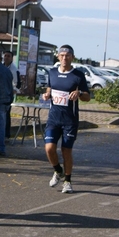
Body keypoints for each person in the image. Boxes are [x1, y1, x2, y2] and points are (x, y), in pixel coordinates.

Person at [42, 45, 90, 194]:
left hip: (70, 120)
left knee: (66, 151)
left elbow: (88, 96)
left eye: (67, 55)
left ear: (72, 58)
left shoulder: (78, 75)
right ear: (58, 57)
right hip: (53, 118)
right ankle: (58, 170)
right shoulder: (52, 72)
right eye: (62, 55)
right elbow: (49, 88)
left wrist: (80, 94)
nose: (64, 58)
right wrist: (47, 95)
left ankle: (68, 181)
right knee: (49, 148)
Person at [2, 50, 21, 139]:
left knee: (6, 113)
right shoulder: (1, 66)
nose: (6, 57)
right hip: (0, 93)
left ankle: (6, 134)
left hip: (8, 94)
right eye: (5, 55)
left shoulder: (14, 69)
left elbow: (18, 84)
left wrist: (13, 90)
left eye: (8, 56)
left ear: (12, 58)